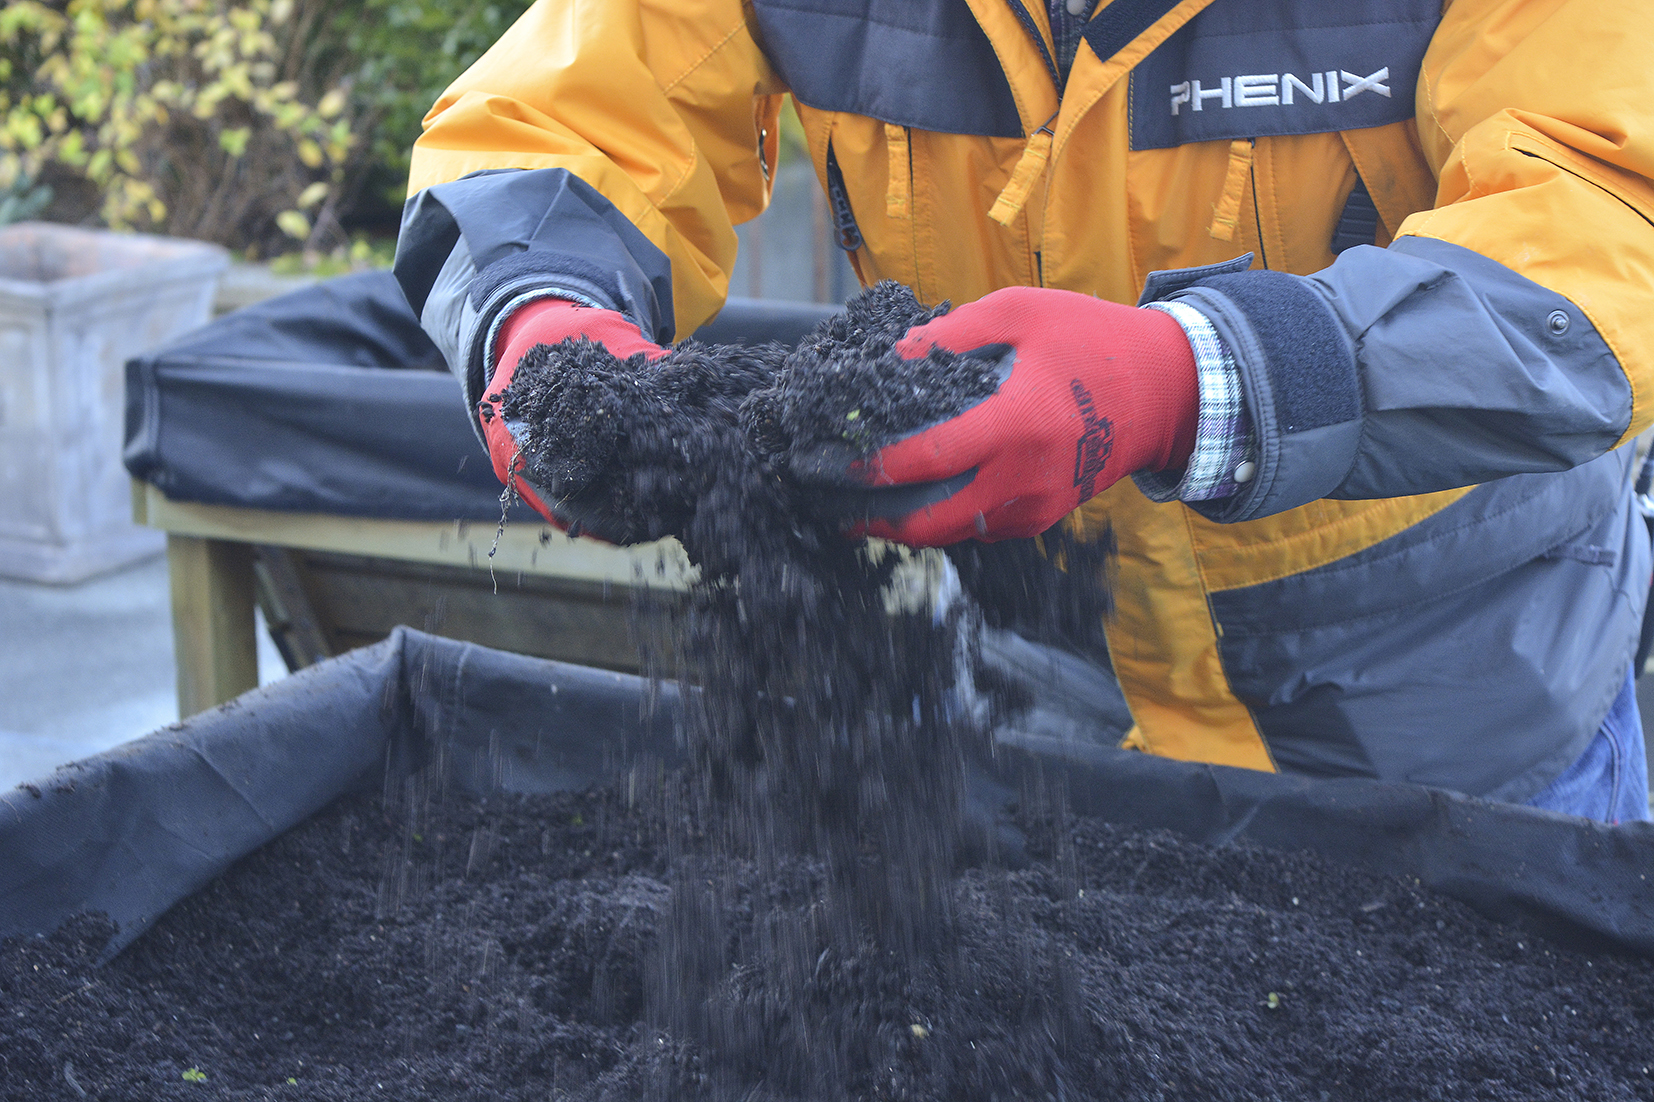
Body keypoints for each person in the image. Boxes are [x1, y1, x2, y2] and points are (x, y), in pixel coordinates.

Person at [392, 0, 1654, 823]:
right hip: (1049, 699)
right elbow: (563, 116)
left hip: (1460, 725)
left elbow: (1610, 217)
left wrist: (1201, 378)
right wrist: (538, 316)